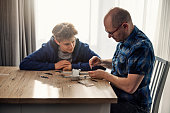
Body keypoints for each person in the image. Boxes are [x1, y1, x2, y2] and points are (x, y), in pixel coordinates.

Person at [88, 7, 155, 113]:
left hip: (133, 105)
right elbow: (121, 64)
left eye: (111, 32)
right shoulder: (124, 39)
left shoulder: (141, 46)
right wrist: (102, 62)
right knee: (89, 102)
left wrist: (105, 75)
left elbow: (130, 87)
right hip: (117, 97)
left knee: (91, 108)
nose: (109, 36)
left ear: (125, 26)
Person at [20, 22, 105, 71]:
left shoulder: (82, 48)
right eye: (67, 44)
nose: (72, 46)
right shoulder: (47, 48)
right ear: (57, 41)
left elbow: (101, 65)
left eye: (73, 41)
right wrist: (54, 66)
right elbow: (24, 64)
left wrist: (73, 67)